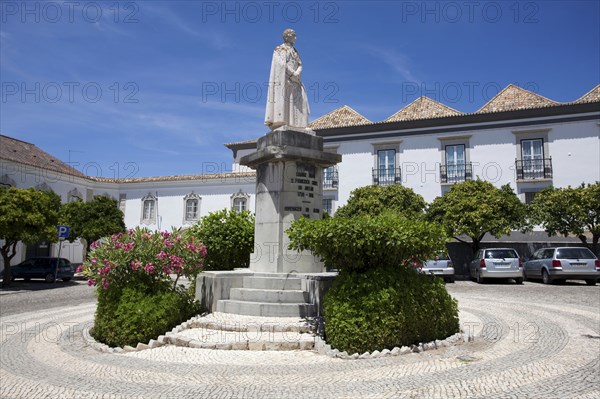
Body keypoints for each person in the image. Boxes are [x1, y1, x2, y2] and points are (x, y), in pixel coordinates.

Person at [265, 28, 310, 130]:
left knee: (298, 101)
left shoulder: (295, 52)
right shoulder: (279, 49)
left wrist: (297, 73)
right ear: (287, 36)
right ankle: (283, 122)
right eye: (293, 35)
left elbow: (300, 64)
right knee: (285, 100)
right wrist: (292, 73)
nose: (295, 38)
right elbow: (281, 64)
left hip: (296, 80)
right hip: (285, 79)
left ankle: (298, 125)